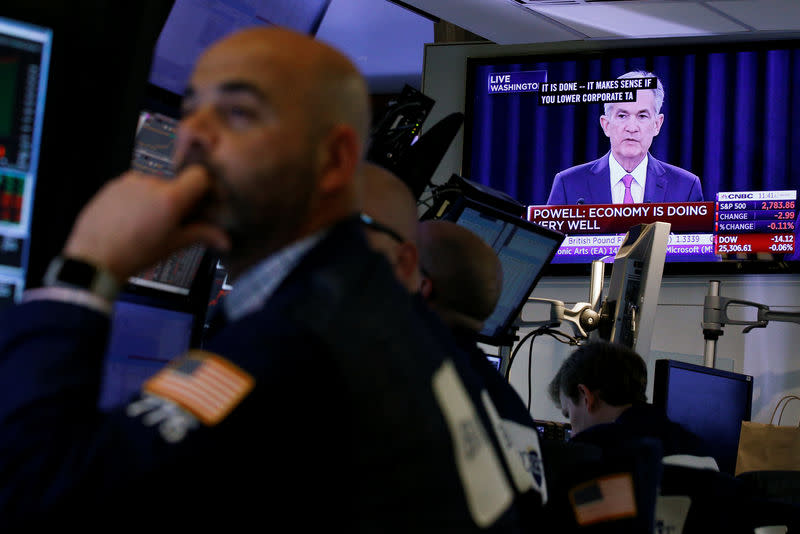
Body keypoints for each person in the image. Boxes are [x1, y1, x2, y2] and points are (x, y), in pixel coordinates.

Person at [0, 27, 528, 532]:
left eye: (237, 113)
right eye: (190, 111)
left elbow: (38, 496)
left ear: (334, 159)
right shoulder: (381, 315)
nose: (193, 137)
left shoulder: (306, 339)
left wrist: (87, 268)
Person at [546, 70, 703, 206]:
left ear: (657, 124)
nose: (631, 127)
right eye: (622, 115)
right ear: (606, 124)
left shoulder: (686, 187)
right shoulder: (568, 184)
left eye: (642, 116)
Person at [547, 340, 705, 456]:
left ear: (586, 396)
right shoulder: (693, 444)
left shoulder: (592, 450)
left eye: (568, 414)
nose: (572, 433)